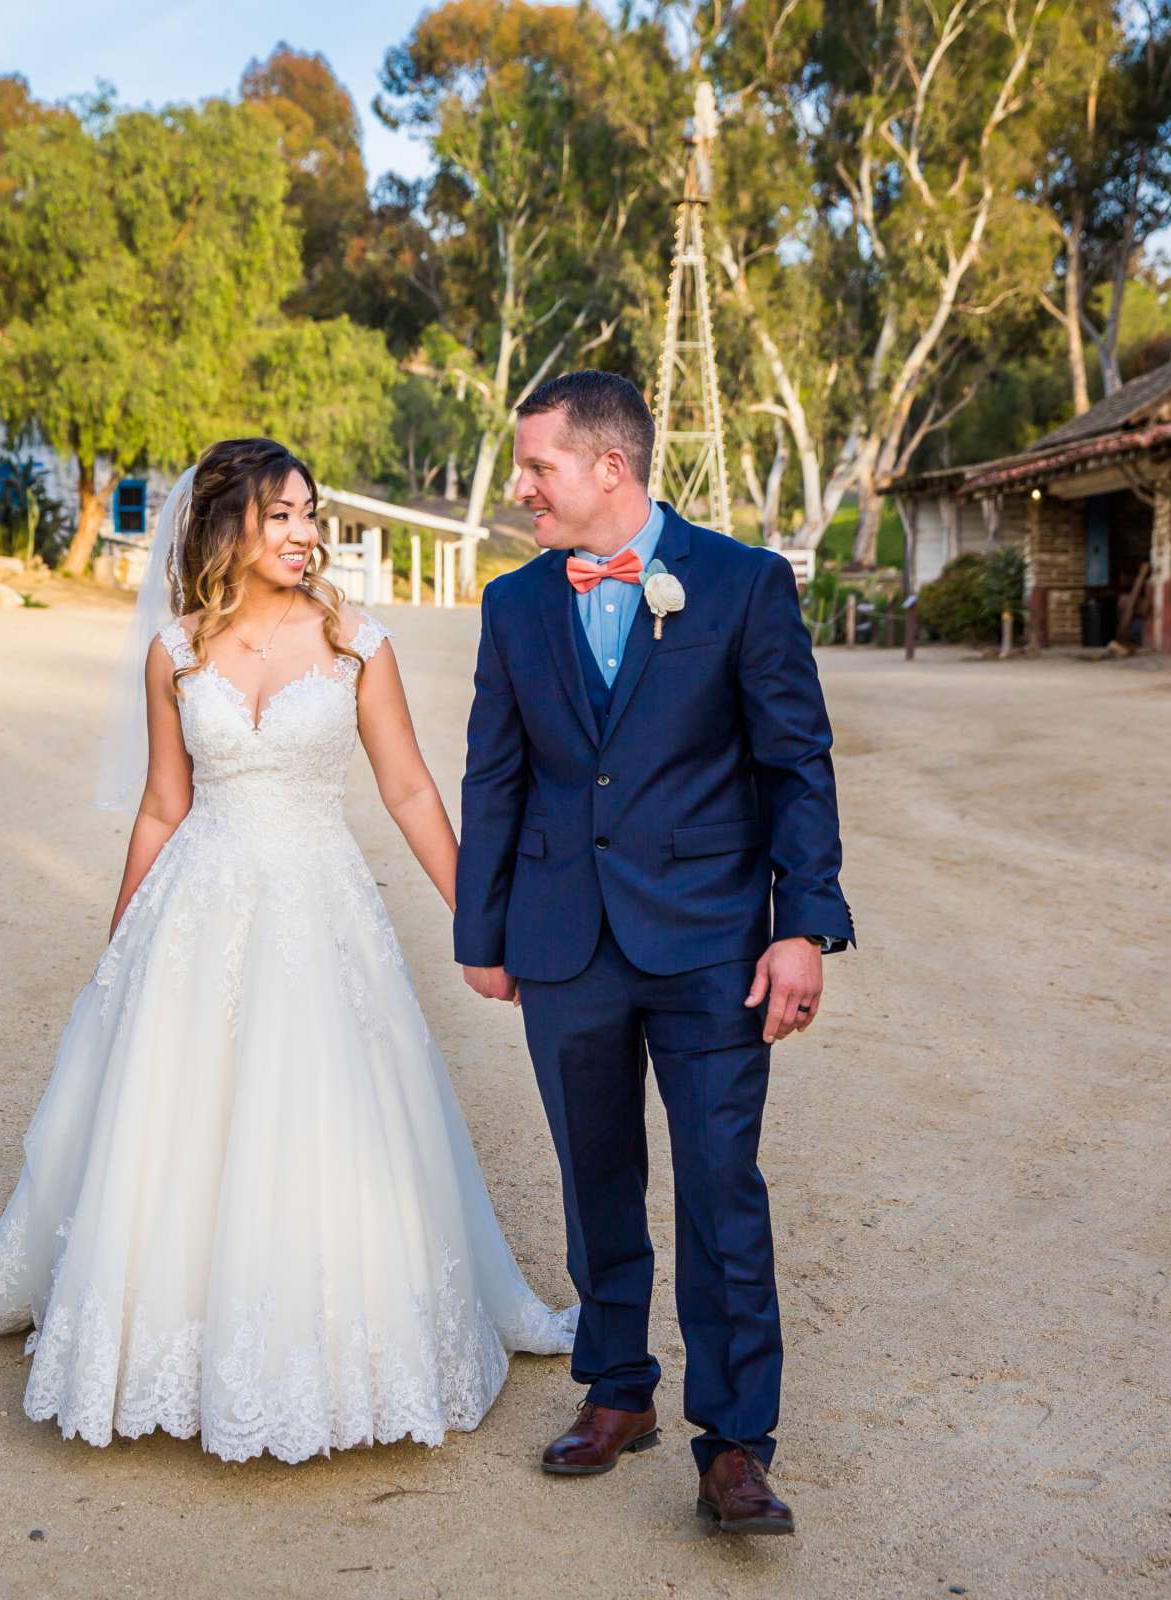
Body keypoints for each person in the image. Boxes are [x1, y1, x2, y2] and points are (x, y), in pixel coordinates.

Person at [0, 436, 574, 1464]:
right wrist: (122, 944)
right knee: (177, 1126)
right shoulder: (175, 651)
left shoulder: (360, 642)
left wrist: (478, 921)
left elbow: (409, 791)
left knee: (325, 1116)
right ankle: (164, 1351)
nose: (304, 533)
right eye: (281, 514)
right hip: (200, 910)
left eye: (310, 514)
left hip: (322, 913)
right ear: (226, 524)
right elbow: (161, 805)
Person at [454, 371, 854, 1534]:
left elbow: (798, 763)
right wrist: (485, 930)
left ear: (609, 469)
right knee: (595, 1173)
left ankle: (734, 1442)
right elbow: (495, 770)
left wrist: (801, 925)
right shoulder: (515, 602)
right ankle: (617, 1388)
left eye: (537, 468)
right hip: (565, 939)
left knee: (723, 1183)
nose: (521, 488)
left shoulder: (742, 585)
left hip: (713, 943)